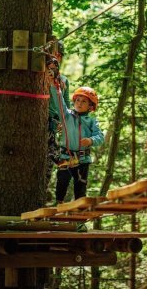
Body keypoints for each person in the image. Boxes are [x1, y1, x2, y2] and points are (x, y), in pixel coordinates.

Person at [49, 82, 104, 203]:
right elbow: (60, 103)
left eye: (84, 101)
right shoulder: (67, 115)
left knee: (80, 185)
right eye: (78, 100)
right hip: (65, 156)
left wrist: (91, 140)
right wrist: (55, 87)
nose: (79, 103)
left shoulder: (91, 121)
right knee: (62, 181)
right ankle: (59, 203)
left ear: (91, 106)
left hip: (82, 159)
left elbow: (100, 136)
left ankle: (80, 207)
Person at [45, 42, 70, 200]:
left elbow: (65, 104)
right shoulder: (42, 75)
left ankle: (46, 188)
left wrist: (65, 121)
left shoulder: (64, 81)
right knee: (49, 152)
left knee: (48, 158)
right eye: (55, 55)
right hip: (44, 119)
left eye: (59, 56)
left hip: (54, 123)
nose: (57, 59)